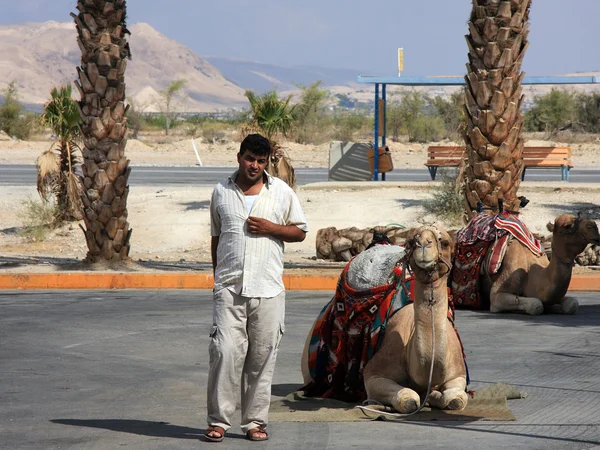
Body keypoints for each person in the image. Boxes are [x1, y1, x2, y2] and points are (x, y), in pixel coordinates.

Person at [204, 133, 308, 442]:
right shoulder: (221, 191)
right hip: (229, 288)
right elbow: (216, 237)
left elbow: (300, 232)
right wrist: (218, 278)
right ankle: (219, 421)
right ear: (239, 157)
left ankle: (253, 423)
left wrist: (271, 229)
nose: (255, 166)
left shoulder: (281, 192)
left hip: (268, 290)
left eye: (261, 161)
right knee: (223, 352)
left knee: (262, 359)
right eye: (250, 158)